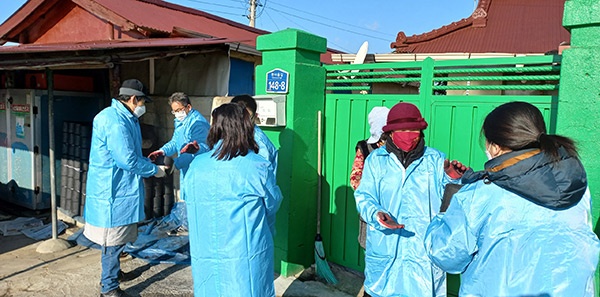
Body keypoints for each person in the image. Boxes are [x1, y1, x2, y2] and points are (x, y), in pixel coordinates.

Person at [424, 101, 600, 296]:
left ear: (496, 147)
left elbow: (446, 256)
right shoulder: (577, 186)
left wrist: (447, 209)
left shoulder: (479, 194)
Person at [354, 102, 467, 297]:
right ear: (390, 133)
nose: (409, 134)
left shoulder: (436, 160)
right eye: (402, 129)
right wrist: (377, 214)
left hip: (422, 257)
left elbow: (450, 206)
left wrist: (453, 180)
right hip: (385, 254)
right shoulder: (376, 160)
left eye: (413, 129)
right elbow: (364, 196)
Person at [183, 103, 283, 296]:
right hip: (245, 253)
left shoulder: (196, 166)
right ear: (245, 127)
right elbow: (272, 203)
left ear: (215, 128)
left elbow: (189, 200)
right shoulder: (257, 167)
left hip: (205, 251)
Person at [83, 79, 168, 297]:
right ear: (132, 99)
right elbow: (127, 160)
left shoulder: (124, 117)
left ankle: (113, 273)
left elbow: (130, 153)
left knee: (119, 237)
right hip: (113, 189)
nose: (142, 106)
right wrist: (154, 170)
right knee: (112, 239)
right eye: (141, 102)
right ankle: (109, 287)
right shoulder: (115, 122)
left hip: (120, 185)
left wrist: (146, 160)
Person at [349, 106, 389, 249]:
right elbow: (355, 179)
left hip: (393, 209)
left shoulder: (398, 146)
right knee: (372, 250)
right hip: (373, 208)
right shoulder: (365, 148)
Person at [230, 95, 278, 174]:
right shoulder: (228, 133)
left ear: (256, 116)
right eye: (239, 117)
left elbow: (262, 175)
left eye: (248, 118)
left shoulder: (261, 144)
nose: (243, 122)